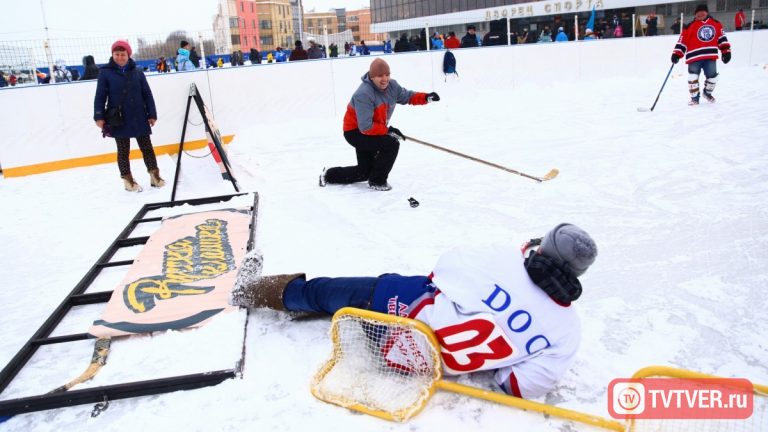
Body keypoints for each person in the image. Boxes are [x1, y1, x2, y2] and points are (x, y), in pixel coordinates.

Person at [230, 223, 598, 400]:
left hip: (394, 320)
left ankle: (250, 290)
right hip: (427, 365)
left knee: (325, 292)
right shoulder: (568, 330)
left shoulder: (504, 260)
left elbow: (442, 271)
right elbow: (520, 385)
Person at [319, 58, 439, 192]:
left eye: (387, 75)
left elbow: (407, 96)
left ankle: (329, 175)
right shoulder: (364, 94)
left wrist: (426, 97)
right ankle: (377, 180)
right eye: (380, 76)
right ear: (371, 77)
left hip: (371, 130)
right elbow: (365, 127)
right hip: (355, 132)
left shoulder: (392, 86)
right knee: (391, 144)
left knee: (364, 171)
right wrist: (388, 131)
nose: (384, 79)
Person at [93, 40, 164, 192]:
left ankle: (155, 176)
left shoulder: (137, 71)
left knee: (147, 147)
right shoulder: (105, 72)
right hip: (119, 117)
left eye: (123, 54)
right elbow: (100, 96)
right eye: (116, 54)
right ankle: (128, 181)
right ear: (112, 55)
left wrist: (152, 114)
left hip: (139, 115)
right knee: (123, 150)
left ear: (128, 55)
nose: (120, 57)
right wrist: (99, 116)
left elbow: (147, 94)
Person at [671, 4, 731, 105]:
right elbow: (682, 42)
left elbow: (722, 39)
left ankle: (707, 93)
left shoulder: (716, 24)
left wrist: (726, 51)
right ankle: (695, 99)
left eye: (702, 12)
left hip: (710, 56)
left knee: (712, 77)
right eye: (698, 12)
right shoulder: (689, 26)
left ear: (707, 12)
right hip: (694, 57)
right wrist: (676, 54)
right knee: (692, 77)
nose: (700, 14)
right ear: (695, 14)